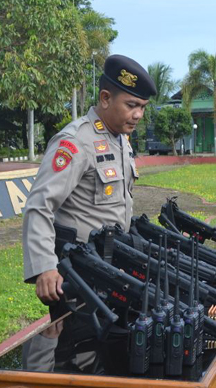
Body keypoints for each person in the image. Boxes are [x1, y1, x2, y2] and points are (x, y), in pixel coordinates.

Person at [22, 54, 157, 372]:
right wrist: (44, 269)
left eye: (142, 108)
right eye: (132, 105)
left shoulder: (119, 139)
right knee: (80, 359)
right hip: (79, 276)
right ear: (106, 98)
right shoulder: (76, 142)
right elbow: (39, 205)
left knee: (110, 353)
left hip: (113, 269)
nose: (137, 115)